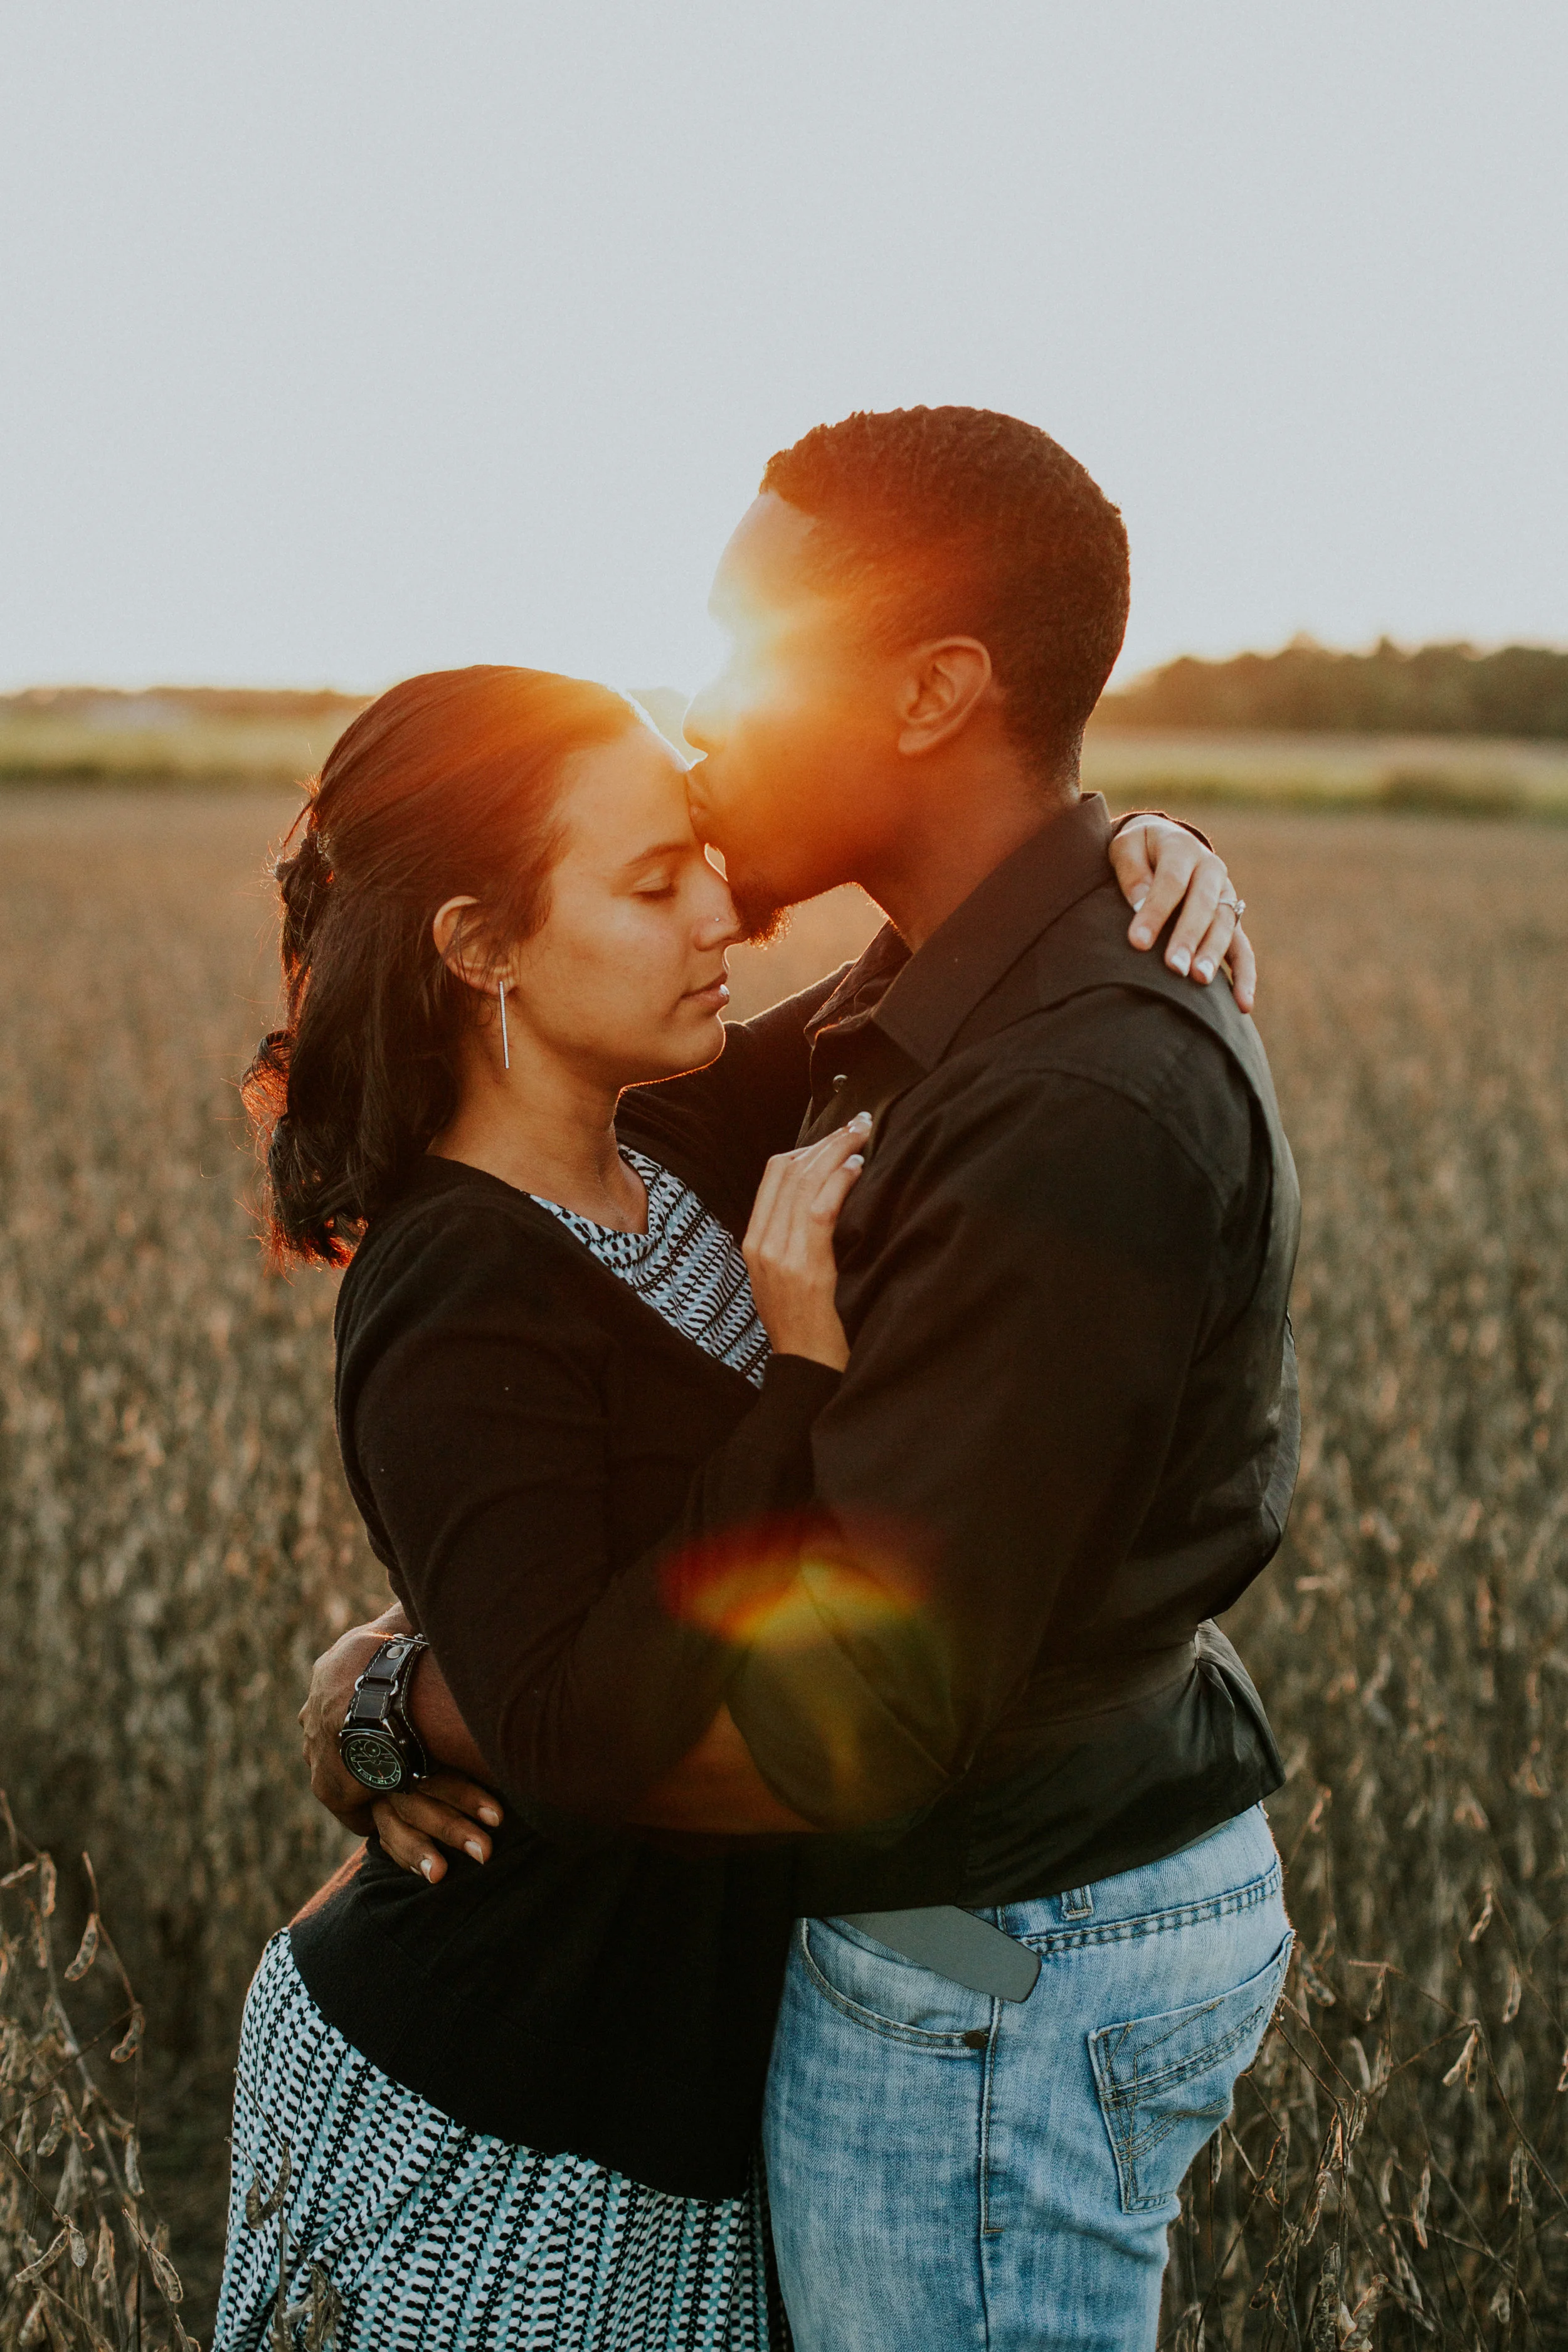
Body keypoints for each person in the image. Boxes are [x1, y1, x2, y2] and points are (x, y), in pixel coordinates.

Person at [307, 409, 1298, 2350]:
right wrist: (391, 1689)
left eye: (752, 643)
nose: (706, 713)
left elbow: (840, 1713)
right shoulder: (891, 1014)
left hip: (992, 1942)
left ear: (935, 688)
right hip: (970, 1915)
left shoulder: (1059, 1096)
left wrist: (402, 1704)